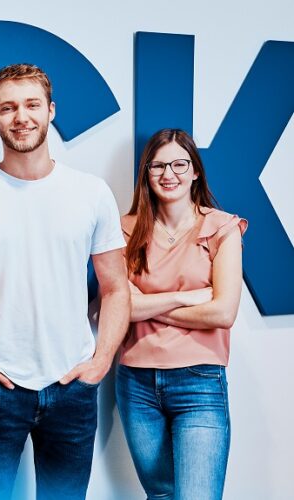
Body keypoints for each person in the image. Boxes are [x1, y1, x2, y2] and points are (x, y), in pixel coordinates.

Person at [0, 63, 131, 500]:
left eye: (32, 105)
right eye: (8, 108)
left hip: (72, 387)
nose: (21, 117)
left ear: (51, 110)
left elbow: (116, 288)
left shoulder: (92, 192)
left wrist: (100, 362)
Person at [117, 128, 246, 500]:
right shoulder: (124, 230)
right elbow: (122, 307)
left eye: (179, 164)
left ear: (195, 171)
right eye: (157, 166)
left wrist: (147, 306)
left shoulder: (222, 227)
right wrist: (189, 297)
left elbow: (223, 312)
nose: (168, 174)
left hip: (200, 382)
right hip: (136, 382)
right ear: (146, 173)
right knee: (160, 495)